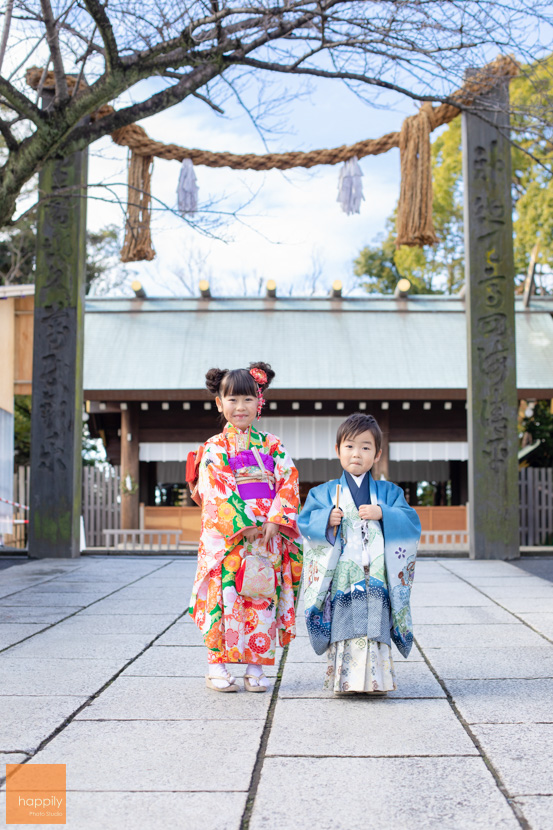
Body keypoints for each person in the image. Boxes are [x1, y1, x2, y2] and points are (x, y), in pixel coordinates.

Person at [189, 362, 302, 692]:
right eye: (233, 400)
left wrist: (274, 520)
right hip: (229, 542)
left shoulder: (273, 445)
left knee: (261, 600)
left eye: (248, 400)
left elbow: (288, 481)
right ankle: (217, 666)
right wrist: (243, 524)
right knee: (223, 601)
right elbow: (215, 489)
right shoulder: (214, 447)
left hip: (266, 540)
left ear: (260, 402)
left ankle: (256, 667)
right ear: (219, 403)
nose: (241, 407)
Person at [298, 412, 421, 694]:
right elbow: (304, 523)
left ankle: (377, 681)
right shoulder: (323, 493)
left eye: (366, 447)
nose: (357, 454)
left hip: (376, 575)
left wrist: (383, 513)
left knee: (376, 624)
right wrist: (325, 519)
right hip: (343, 575)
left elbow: (411, 522)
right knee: (345, 625)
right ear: (338, 450)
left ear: (377, 455)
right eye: (350, 446)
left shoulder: (388, 493)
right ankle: (346, 681)